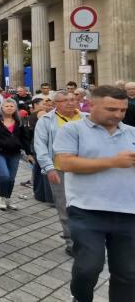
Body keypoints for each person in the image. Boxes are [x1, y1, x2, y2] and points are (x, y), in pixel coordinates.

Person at [53, 85, 135, 302]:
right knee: (89, 266)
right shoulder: (72, 130)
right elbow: (66, 163)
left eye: (122, 110)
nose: (118, 115)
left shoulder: (132, 133)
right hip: (87, 210)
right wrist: (113, 162)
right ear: (91, 105)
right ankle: (80, 297)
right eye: (111, 109)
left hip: (128, 212)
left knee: (128, 272)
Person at [34, 90, 87, 255]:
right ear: (56, 104)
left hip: (85, 168)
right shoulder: (46, 121)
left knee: (86, 206)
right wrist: (48, 168)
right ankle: (72, 242)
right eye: (65, 100)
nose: (70, 102)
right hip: (59, 170)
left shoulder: (87, 118)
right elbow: (40, 146)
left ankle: (87, 239)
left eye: (72, 99)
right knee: (65, 206)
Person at [0, 98, 27, 210]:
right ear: (1, 107)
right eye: (7, 106)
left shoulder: (18, 121)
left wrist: (28, 152)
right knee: (4, 175)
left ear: (15, 108)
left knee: (11, 178)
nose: (9, 108)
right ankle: (2, 198)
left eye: (12, 106)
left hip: (15, 153)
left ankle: (8, 198)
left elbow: (24, 137)